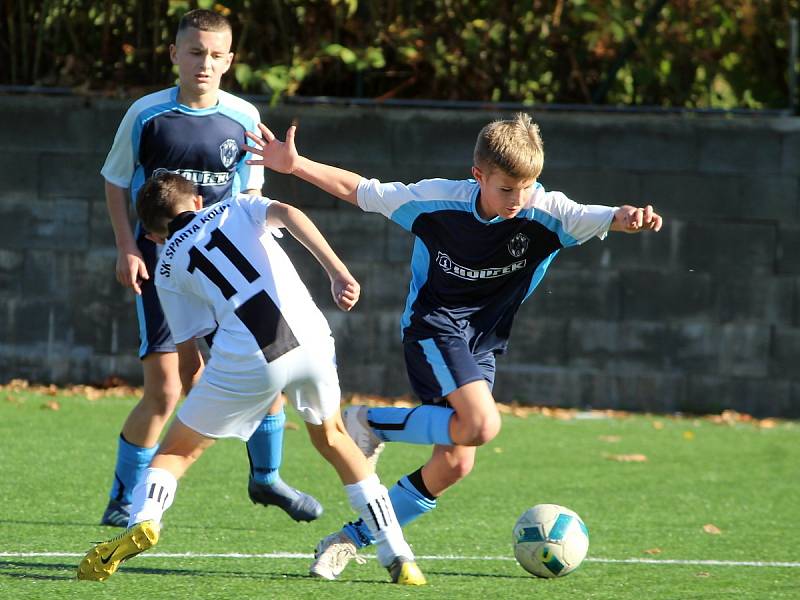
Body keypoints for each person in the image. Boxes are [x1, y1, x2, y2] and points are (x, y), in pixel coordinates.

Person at [242, 113, 663, 578]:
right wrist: (295, 164)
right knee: (481, 425)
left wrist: (629, 219)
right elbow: (359, 190)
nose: (518, 200)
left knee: (456, 462)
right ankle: (372, 423)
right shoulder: (436, 201)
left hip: (482, 344)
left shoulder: (549, 213)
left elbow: (607, 217)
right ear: (478, 175)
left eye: (527, 187)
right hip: (432, 327)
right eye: (506, 189)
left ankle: (348, 538)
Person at [77, 173, 426, 586]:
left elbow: (189, 360)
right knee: (334, 439)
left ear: (152, 236)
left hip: (251, 355)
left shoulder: (167, 264)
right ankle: (398, 554)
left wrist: (202, 410)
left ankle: (145, 520)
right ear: (200, 199)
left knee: (176, 451)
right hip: (313, 339)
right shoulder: (238, 204)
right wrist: (338, 272)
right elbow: (290, 213)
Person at [99, 8, 320, 528]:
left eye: (215, 55)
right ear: (174, 54)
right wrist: (127, 247)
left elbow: (253, 196)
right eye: (194, 52)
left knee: (274, 364)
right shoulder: (146, 115)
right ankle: (123, 498)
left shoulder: (244, 118)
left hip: (230, 275)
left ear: (229, 61)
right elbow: (114, 181)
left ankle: (266, 479)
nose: (204, 63)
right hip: (163, 269)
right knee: (166, 390)